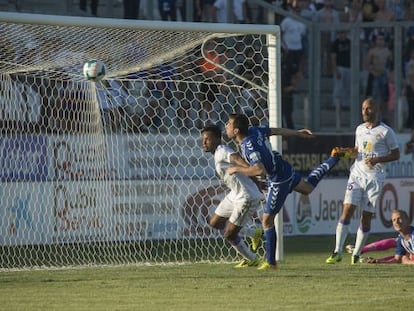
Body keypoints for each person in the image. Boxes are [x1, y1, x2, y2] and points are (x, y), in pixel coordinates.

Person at [225, 113, 350, 270]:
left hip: (278, 179)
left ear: (236, 131)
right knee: (307, 188)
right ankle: (334, 158)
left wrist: (236, 168)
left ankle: (271, 263)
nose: (226, 126)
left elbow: (259, 169)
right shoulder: (254, 130)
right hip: (284, 168)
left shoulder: (248, 146)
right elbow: (274, 130)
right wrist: (298, 133)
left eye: (228, 124)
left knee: (267, 220)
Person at [326, 97, 400, 265]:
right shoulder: (359, 129)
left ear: (377, 109)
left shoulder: (386, 132)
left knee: (365, 218)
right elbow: (357, 151)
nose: (365, 112)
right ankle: (337, 251)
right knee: (346, 211)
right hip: (357, 175)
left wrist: (377, 160)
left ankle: (356, 254)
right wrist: (344, 152)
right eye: (363, 108)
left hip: (375, 178)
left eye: (368, 108)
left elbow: (396, 155)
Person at [201, 124, 264, 268]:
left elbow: (236, 158)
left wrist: (250, 169)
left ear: (217, 139)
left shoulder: (222, 150)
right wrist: (256, 181)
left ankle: (253, 259)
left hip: (246, 196)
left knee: (229, 234)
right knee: (215, 223)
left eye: (207, 139)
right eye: (203, 140)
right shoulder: (217, 153)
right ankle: (254, 233)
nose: (204, 143)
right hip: (235, 193)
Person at [347, 210, 414, 264]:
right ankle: (360, 250)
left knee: (404, 254)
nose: (396, 222)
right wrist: (379, 261)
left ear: (407, 220)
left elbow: (402, 260)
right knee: (403, 255)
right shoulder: (401, 239)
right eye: (394, 220)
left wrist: (407, 261)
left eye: (399, 219)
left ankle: (361, 249)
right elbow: (397, 259)